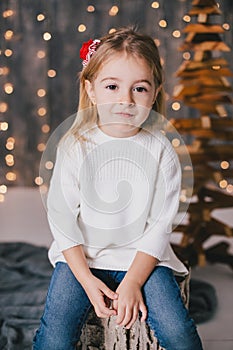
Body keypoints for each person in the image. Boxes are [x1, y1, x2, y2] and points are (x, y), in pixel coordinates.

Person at [33, 27, 203, 350]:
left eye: (139, 89)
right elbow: (63, 220)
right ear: (92, 90)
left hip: (144, 259)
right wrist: (85, 280)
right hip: (80, 259)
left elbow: (158, 227)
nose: (125, 100)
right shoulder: (75, 146)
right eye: (112, 86)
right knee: (54, 336)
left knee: (179, 332)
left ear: (154, 93)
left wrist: (134, 281)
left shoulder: (162, 151)